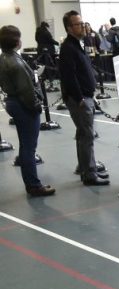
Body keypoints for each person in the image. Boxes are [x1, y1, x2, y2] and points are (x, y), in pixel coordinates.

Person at [0, 25, 55, 196]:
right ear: (17, 41)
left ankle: (31, 183)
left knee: (26, 145)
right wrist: (37, 106)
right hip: (23, 104)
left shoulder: (4, 58)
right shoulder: (16, 63)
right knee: (28, 147)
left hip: (13, 101)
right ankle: (33, 185)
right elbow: (27, 90)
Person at [58, 10, 109, 186]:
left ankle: (85, 167)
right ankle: (90, 173)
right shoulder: (68, 48)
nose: (82, 26)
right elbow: (68, 76)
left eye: (82, 22)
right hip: (79, 99)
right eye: (78, 24)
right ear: (69, 28)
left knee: (83, 134)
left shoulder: (78, 44)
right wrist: (79, 98)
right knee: (87, 135)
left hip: (85, 96)